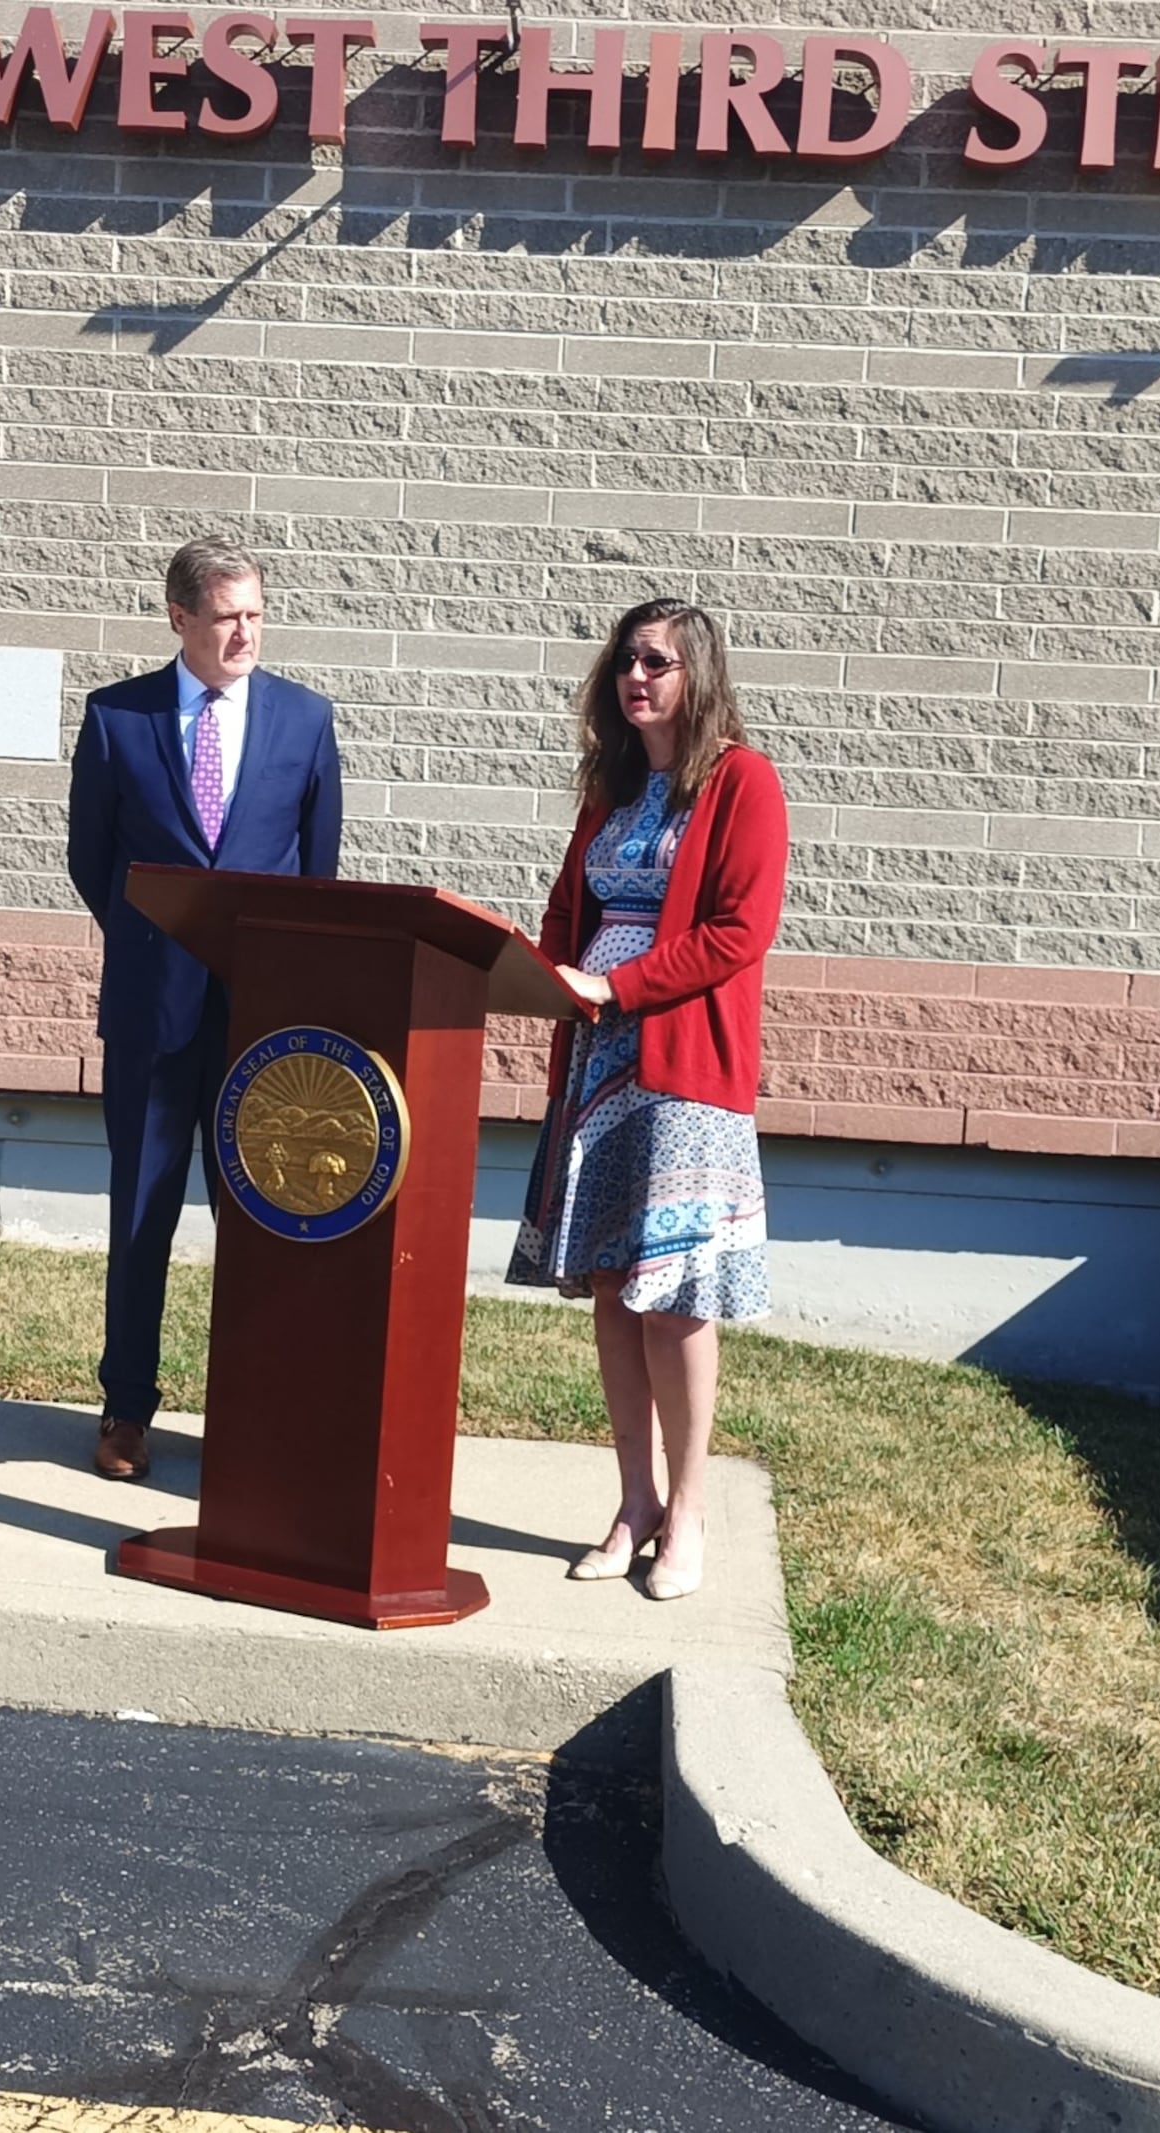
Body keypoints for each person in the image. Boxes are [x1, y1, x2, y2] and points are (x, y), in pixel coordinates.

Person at [507, 599, 787, 1600]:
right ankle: (632, 1504)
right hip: (594, 1063)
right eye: (625, 660)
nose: (636, 676)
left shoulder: (741, 784)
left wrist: (616, 986)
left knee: (670, 1300)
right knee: (613, 1296)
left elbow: (736, 932)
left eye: (657, 662)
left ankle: (690, 1518)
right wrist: (536, 975)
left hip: (680, 1070)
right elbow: (563, 912)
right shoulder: (612, 789)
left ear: (696, 676)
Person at [68, 536, 343, 1480]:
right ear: (180, 617)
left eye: (256, 614)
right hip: (151, 1015)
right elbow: (90, 861)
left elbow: (318, 875)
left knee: (260, 1221)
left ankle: (257, 1410)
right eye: (226, 616)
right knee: (142, 1213)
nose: (244, 633)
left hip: (263, 1022)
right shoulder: (117, 719)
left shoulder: (306, 722)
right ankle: (126, 1408)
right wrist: (161, 946)